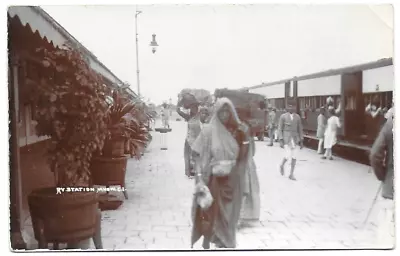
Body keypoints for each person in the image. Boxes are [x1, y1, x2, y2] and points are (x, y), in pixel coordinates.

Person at [190, 97, 251, 249]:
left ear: (232, 113)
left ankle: (225, 243)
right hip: (213, 181)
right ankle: (207, 241)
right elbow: (196, 154)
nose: (224, 114)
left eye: (227, 111)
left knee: (229, 217)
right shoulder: (208, 131)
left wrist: (245, 139)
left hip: (231, 182)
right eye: (221, 111)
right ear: (216, 112)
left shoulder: (238, 131)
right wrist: (198, 178)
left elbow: (242, 158)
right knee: (211, 215)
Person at [369, 115, 394, 248]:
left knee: (386, 237)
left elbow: (374, 155)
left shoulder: (392, 122)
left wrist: (383, 176)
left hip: (392, 189)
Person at [238, 122, 260, 228]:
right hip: (249, 165)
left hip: (240, 165)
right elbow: (254, 152)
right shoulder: (249, 132)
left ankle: (237, 217)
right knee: (246, 191)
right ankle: (243, 216)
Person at [278, 100, 303, 181]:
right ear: (287, 107)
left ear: (295, 107)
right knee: (287, 155)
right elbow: (280, 129)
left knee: (294, 156)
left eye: (293, 106)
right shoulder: (283, 116)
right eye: (289, 106)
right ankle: (282, 165)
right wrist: (281, 139)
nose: (291, 108)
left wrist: (301, 140)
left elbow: (300, 129)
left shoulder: (298, 117)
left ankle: (291, 174)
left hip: (295, 139)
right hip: (286, 139)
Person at [177, 99, 202, 178]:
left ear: (197, 108)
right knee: (188, 156)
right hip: (189, 139)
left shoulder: (201, 116)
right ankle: (190, 172)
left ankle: (196, 171)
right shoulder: (188, 117)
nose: (193, 109)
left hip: (198, 139)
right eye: (192, 108)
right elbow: (178, 111)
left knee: (196, 156)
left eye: (195, 107)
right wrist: (179, 103)